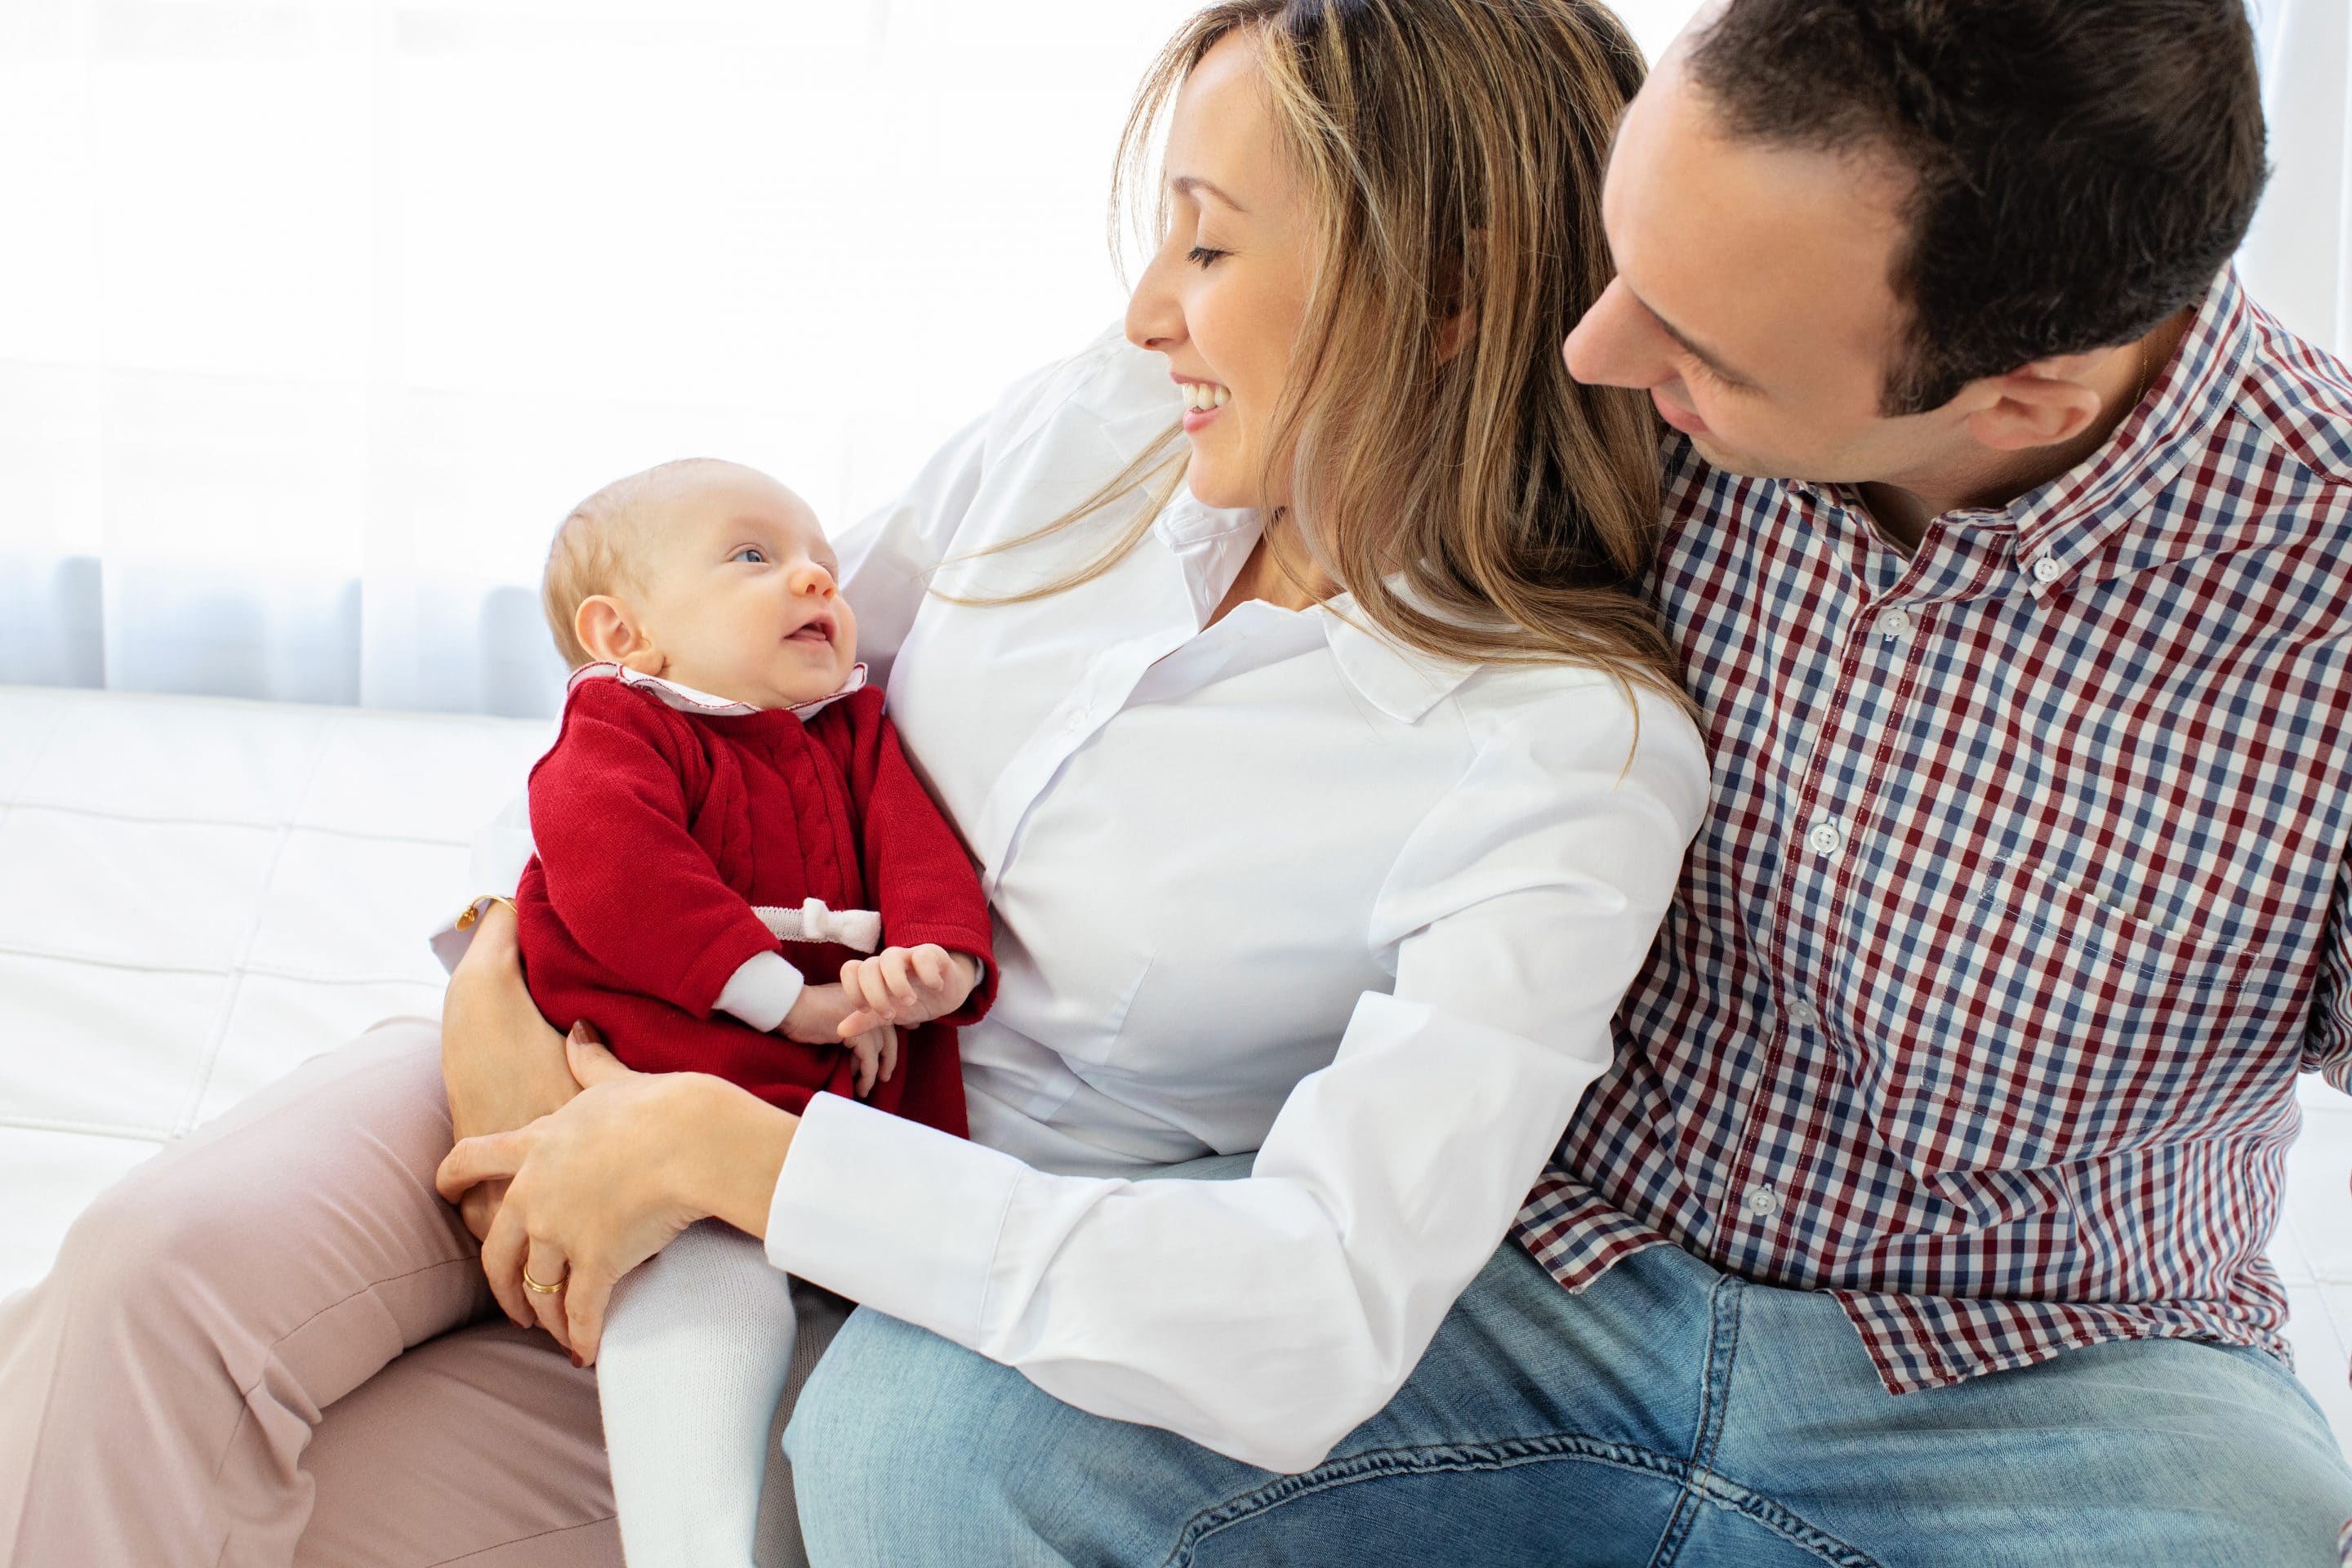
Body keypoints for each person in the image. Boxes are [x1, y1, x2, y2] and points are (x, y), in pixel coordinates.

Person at [0, 2, 1699, 1565]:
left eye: (1210, 241)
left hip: (857, 1280)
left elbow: (1316, 1311)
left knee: (298, 1513)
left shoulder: (1566, 749)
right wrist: (496, 966)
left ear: (1447, 287)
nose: (1145, 310)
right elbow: (714, 679)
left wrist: (728, 1158)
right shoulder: (1099, 424)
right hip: (604, 1023)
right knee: (142, 1294)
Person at [769, 2, 2352, 1565]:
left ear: (2020, 404)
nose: (1591, 346)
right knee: (929, 1446)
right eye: (1621, 252)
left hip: (2055, 1369)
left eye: (1699, 348)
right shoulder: (1641, 311)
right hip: (1522, 1264)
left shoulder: (2324, 592)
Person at [517, 457, 996, 1567]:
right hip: (674, 1088)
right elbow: (625, 880)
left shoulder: (852, 727)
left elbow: (921, 847)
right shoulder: (617, 729)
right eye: (755, 557)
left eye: (823, 564)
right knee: (702, 1321)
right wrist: (795, 1003)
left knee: (854, 1359)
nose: (814, 581)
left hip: (843, 1115)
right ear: (623, 634)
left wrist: (937, 967)